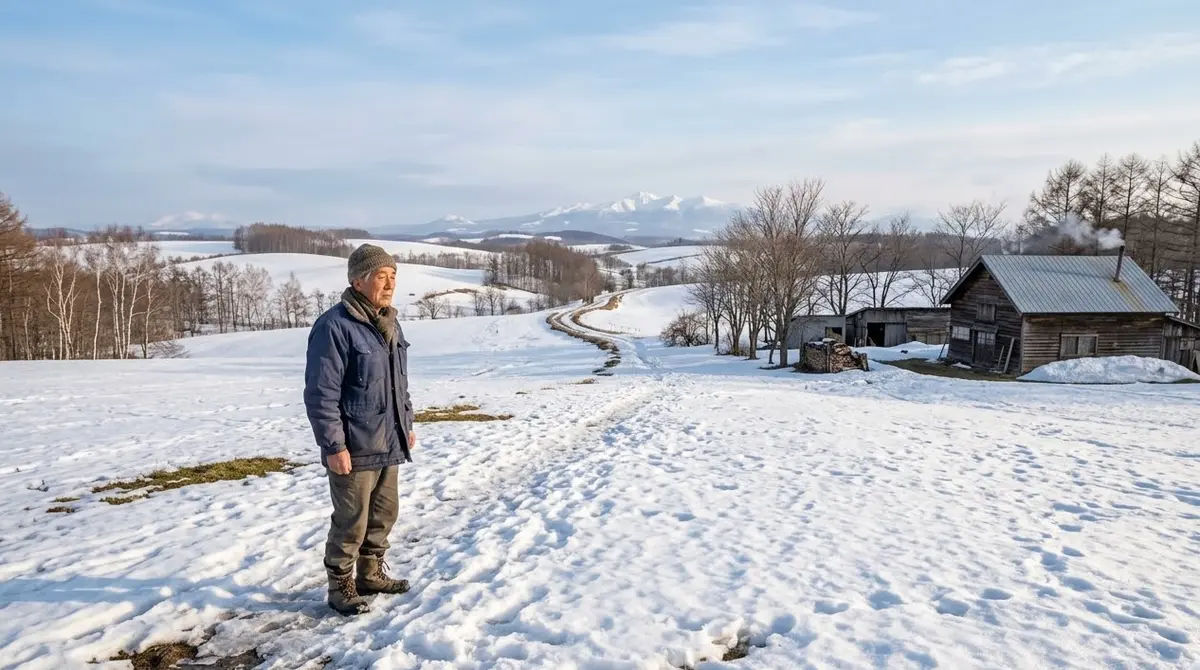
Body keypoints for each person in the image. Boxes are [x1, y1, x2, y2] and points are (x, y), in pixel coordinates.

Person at [303, 243, 416, 616]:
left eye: (393, 276)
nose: (390, 284)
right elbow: (321, 393)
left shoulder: (390, 322)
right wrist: (334, 446)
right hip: (354, 446)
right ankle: (341, 586)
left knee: (384, 514)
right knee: (351, 520)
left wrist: (406, 423)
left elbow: (399, 383)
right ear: (357, 281)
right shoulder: (334, 326)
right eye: (381, 276)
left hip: (389, 439)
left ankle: (370, 575)